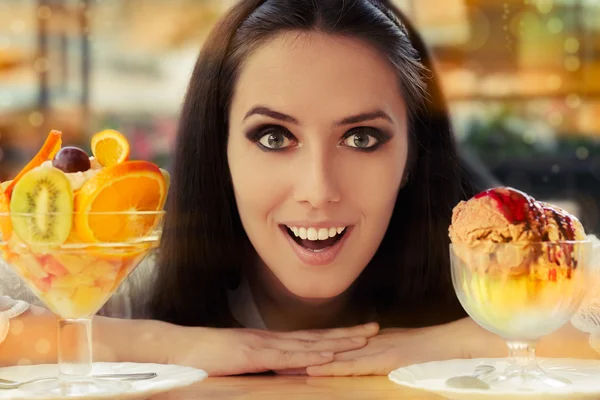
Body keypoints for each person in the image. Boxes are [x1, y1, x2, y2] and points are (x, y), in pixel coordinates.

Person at [1, 0, 598, 377]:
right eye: (272, 137)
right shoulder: (124, 261)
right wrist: (168, 345)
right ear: (219, 149)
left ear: (415, 154)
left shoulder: (493, 264)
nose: (318, 189)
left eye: (362, 138)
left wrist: (445, 344)